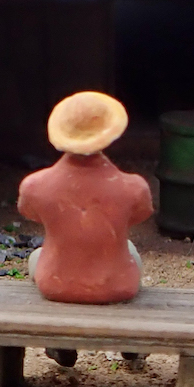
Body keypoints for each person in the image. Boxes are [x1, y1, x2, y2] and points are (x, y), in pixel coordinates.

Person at [18, 91, 153, 304]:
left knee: (37, 255)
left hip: (55, 284)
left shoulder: (34, 186)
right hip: (117, 286)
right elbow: (139, 214)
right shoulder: (134, 188)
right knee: (131, 250)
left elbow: (30, 211)